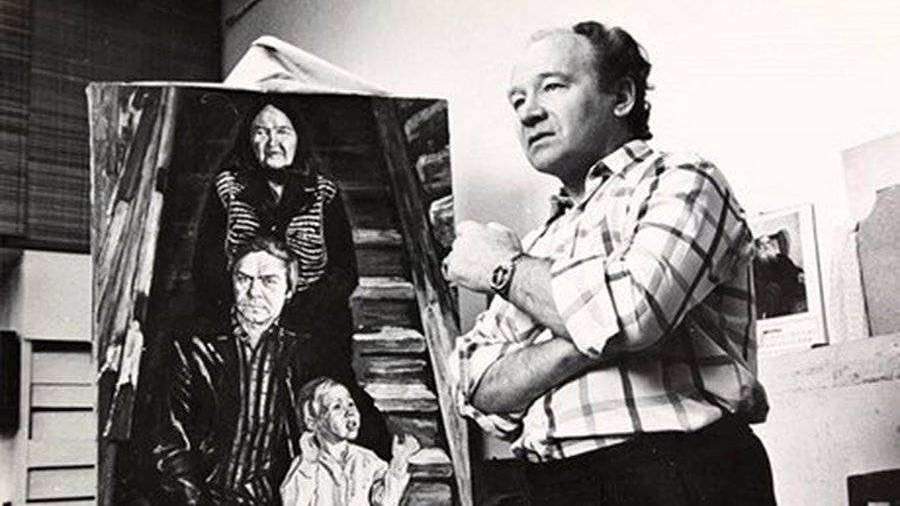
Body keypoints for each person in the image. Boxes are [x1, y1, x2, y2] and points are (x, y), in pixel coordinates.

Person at [444, 21, 775, 505]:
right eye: (517, 100)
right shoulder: (540, 241)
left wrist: (506, 271)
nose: (529, 113)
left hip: (679, 474)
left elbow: (633, 311)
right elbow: (475, 385)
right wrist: (592, 328)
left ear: (621, 97)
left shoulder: (682, 180)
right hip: (553, 485)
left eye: (552, 87)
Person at [155, 236, 386, 504]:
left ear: (289, 291)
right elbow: (168, 441)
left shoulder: (307, 354)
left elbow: (351, 415)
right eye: (244, 279)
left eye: (268, 281)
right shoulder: (194, 350)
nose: (254, 292)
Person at [193, 99, 360, 380]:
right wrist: (248, 309)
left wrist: (296, 312)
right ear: (248, 140)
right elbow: (206, 265)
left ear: (298, 138)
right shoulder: (228, 188)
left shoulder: (323, 192)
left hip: (310, 320)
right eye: (261, 132)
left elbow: (344, 271)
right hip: (245, 315)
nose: (272, 142)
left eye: (282, 131)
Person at [280, 377, 420, 506]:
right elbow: (293, 503)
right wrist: (308, 462)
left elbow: (386, 502)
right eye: (337, 407)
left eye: (351, 404)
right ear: (312, 422)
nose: (349, 412)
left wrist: (399, 461)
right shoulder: (306, 466)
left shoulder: (367, 460)